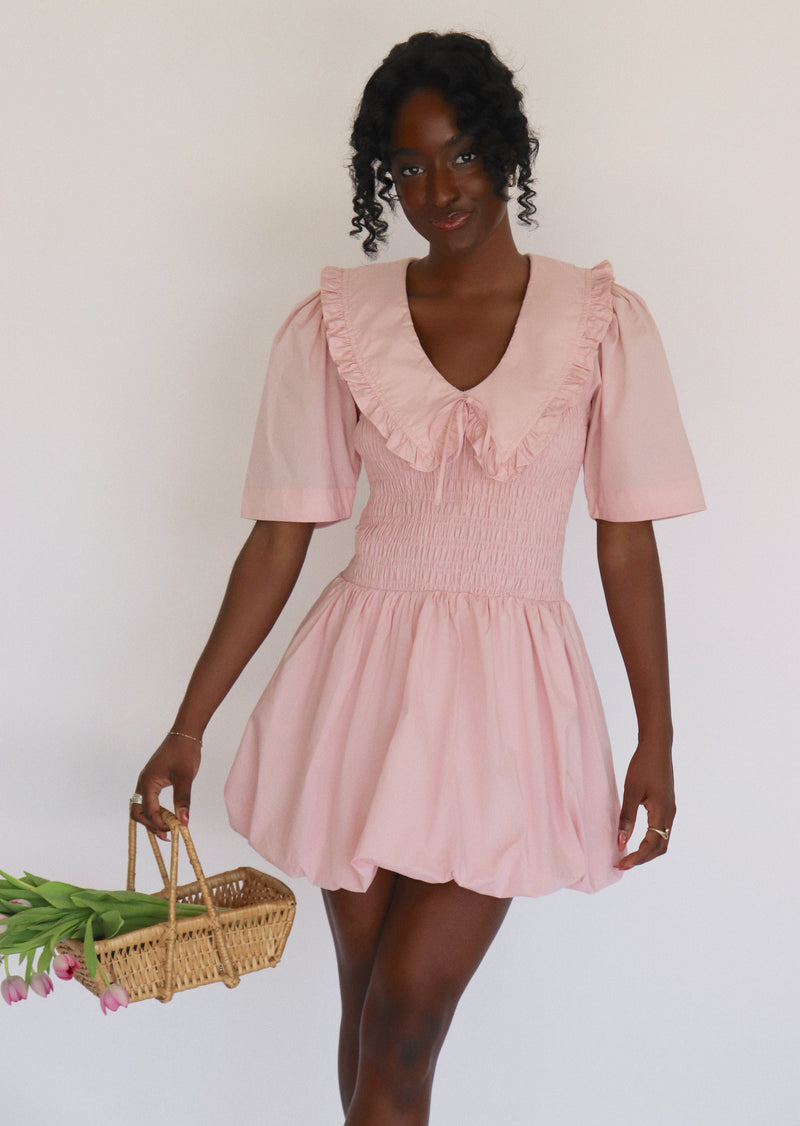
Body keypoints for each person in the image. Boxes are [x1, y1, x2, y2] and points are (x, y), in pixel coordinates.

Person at [132, 30, 704, 1125]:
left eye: (461, 157)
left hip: (506, 702)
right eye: (406, 167)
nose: (436, 191)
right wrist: (189, 724)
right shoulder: (335, 326)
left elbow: (624, 542)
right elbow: (278, 540)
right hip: (360, 689)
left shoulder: (598, 322)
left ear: (506, 153)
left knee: (402, 1016)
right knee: (369, 1020)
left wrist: (657, 736)